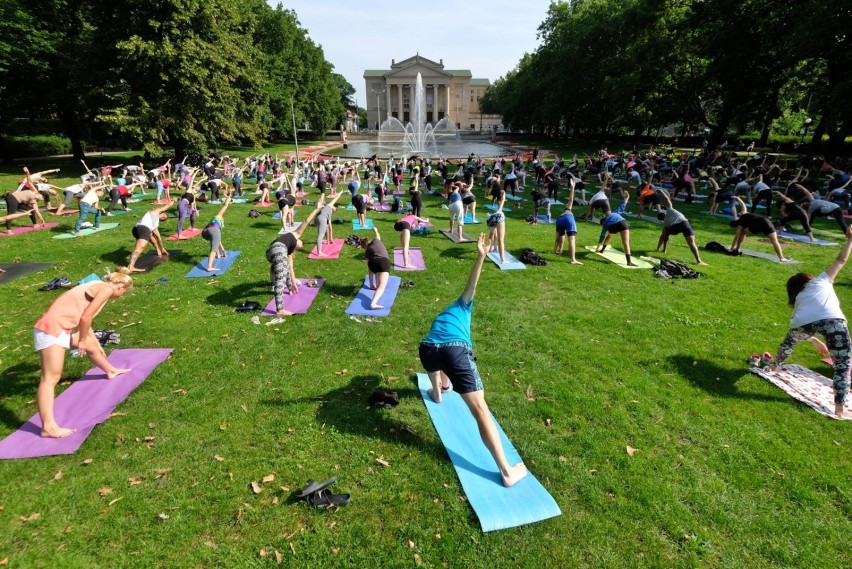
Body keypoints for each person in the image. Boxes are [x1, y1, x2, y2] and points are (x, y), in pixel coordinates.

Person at [418, 233, 528, 487]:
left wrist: (442, 386)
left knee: (438, 372)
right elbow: (472, 286)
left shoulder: (440, 319)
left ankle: (438, 392)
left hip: (427, 348)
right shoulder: (462, 306)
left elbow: (438, 361)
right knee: (480, 409)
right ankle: (506, 471)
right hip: (454, 350)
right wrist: (480, 256)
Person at [33, 268, 135, 437]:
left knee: (92, 346)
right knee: (50, 378)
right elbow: (85, 318)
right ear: (121, 286)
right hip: (52, 330)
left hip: (61, 328)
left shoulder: (98, 284)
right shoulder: (107, 289)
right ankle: (48, 427)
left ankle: (110, 370)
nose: (121, 296)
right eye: (124, 292)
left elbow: (86, 318)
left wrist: (92, 342)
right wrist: (81, 340)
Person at [772, 225, 852, 418]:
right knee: (842, 364)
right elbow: (841, 260)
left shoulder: (799, 298)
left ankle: (776, 365)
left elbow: (803, 327)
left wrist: (815, 340)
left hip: (805, 323)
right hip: (834, 320)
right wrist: (850, 240)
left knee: (788, 343)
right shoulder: (821, 281)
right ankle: (839, 408)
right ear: (810, 279)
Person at [265, 205, 325, 316]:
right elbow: (307, 220)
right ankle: (280, 309)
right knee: (280, 279)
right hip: (278, 250)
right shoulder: (295, 234)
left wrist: (292, 284)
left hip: (270, 252)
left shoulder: (289, 249)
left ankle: (286, 287)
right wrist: (317, 208)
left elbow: (290, 268)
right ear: (299, 240)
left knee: (284, 269)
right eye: (301, 245)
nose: (301, 246)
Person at [654, 189, 707, 265]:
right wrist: (661, 192)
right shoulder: (670, 210)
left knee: (666, 233)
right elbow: (667, 199)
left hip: (675, 228)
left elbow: (663, 237)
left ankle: (663, 249)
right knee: (692, 243)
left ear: (661, 220)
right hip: (685, 224)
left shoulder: (665, 223)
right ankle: (699, 261)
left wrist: (658, 248)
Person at [127, 201, 174, 272]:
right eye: (164, 215)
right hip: (143, 229)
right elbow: (167, 206)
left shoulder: (155, 224)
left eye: (164, 218)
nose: (163, 217)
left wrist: (162, 248)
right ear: (161, 212)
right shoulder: (155, 211)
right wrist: (174, 200)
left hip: (137, 229)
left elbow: (158, 238)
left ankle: (159, 251)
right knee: (139, 248)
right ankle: (131, 266)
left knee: (150, 236)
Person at [1, 167, 49, 233]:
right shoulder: (34, 191)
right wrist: (27, 173)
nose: (42, 198)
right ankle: (9, 230)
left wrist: (42, 220)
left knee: (31, 210)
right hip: (12, 198)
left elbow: (37, 211)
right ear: (40, 194)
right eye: (43, 197)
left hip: (18, 201)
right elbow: (29, 182)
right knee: (11, 214)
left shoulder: (34, 201)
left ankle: (35, 224)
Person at [596, 190, 637, 266]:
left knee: (610, 235)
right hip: (622, 223)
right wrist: (626, 198)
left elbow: (602, 235)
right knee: (626, 242)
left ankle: (602, 250)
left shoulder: (605, 224)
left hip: (612, 227)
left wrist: (598, 247)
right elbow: (622, 206)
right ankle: (629, 262)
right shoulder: (614, 213)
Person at [360, 227, 391, 310]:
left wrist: (371, 284)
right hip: (383, 262)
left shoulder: (367, 252)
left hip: (373, 264)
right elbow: (377, 235)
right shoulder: (376, 241)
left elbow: (369, 267)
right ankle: (373, 304)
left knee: (376, 269)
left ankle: (374, 285)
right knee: (382, 286)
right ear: (369, 241)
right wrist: (376, 230)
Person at [201, 196, 233, 272]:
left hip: (204, 232)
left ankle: (218, 254)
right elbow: (225, 205)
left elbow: (217, 240)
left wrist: (223, 250)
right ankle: (209, 267)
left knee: (214, 241)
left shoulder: (214, 220)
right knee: (214, 249)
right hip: (213, 231)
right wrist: (228, 198)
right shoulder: (218, 216)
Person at [554, 179, 582, 264]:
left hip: (559, 220)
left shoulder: (562, 212)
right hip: (568, 218)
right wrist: (572, 187)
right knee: (572, 239)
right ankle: (573, 260)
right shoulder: (568, 209)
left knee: (560, 235)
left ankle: (558, 250)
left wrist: (554, 248)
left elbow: (556, 237)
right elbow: (571, 199)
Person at [314, 192, 345, 257]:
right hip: (322, 219)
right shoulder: (330, 206)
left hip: (316, 219)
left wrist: (330, 240)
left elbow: (329, 227)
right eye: (335, 208)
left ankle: (327, 241)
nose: (334, 208)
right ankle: (319, 252)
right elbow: (336, 198)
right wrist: (341, 192)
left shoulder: (327, 208)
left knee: (325, 228)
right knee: (320, 235)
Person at [486, 182, 509, 264]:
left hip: (490, 218)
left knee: (492, 234)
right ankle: (502, 260)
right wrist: (504, 195)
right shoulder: (500, 197)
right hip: (499, 215)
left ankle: (490, 248)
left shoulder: (493, 193)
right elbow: (502, 202)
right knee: (500, 239)